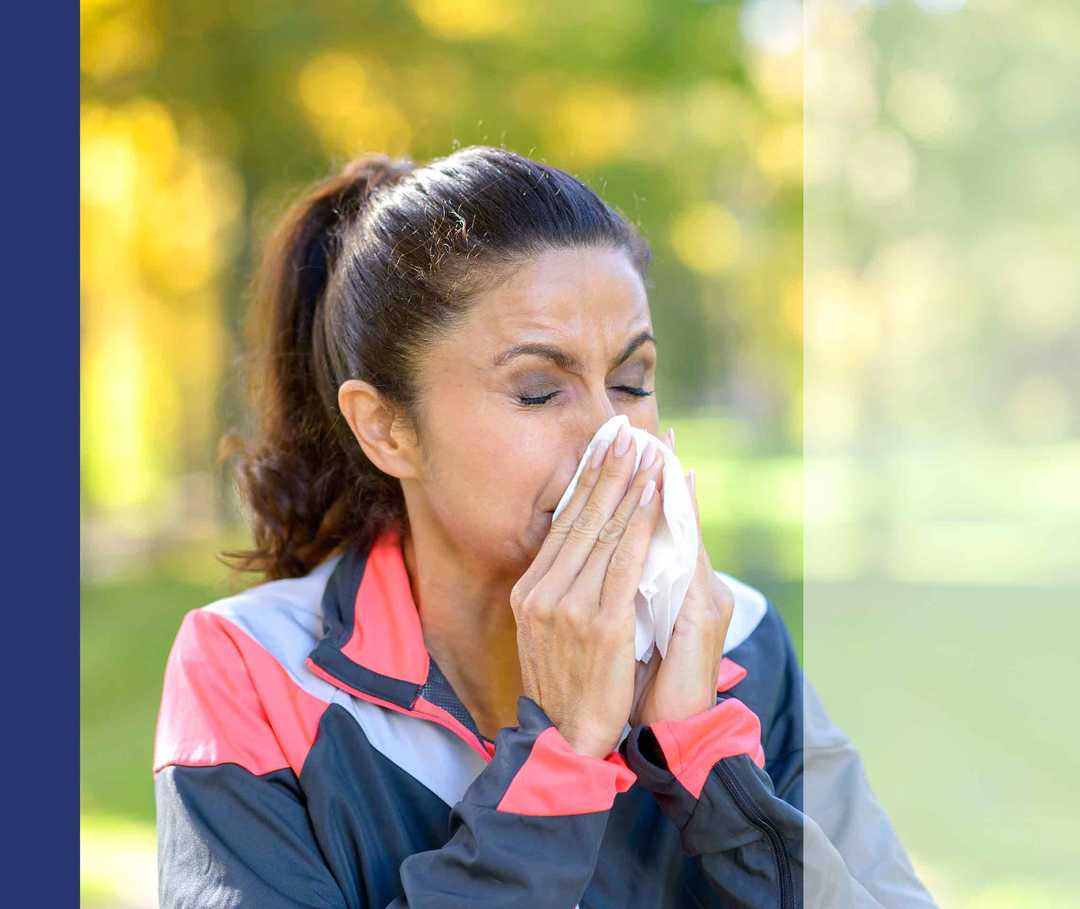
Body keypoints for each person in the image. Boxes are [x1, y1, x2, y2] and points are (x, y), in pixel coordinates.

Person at [153, 146, 937, 908]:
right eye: (537, 390)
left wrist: (705, 760)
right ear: (387, 428)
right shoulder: (251, 671)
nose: (610, 436)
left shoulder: (738, 641)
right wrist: (560, 760)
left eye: (632, 381)